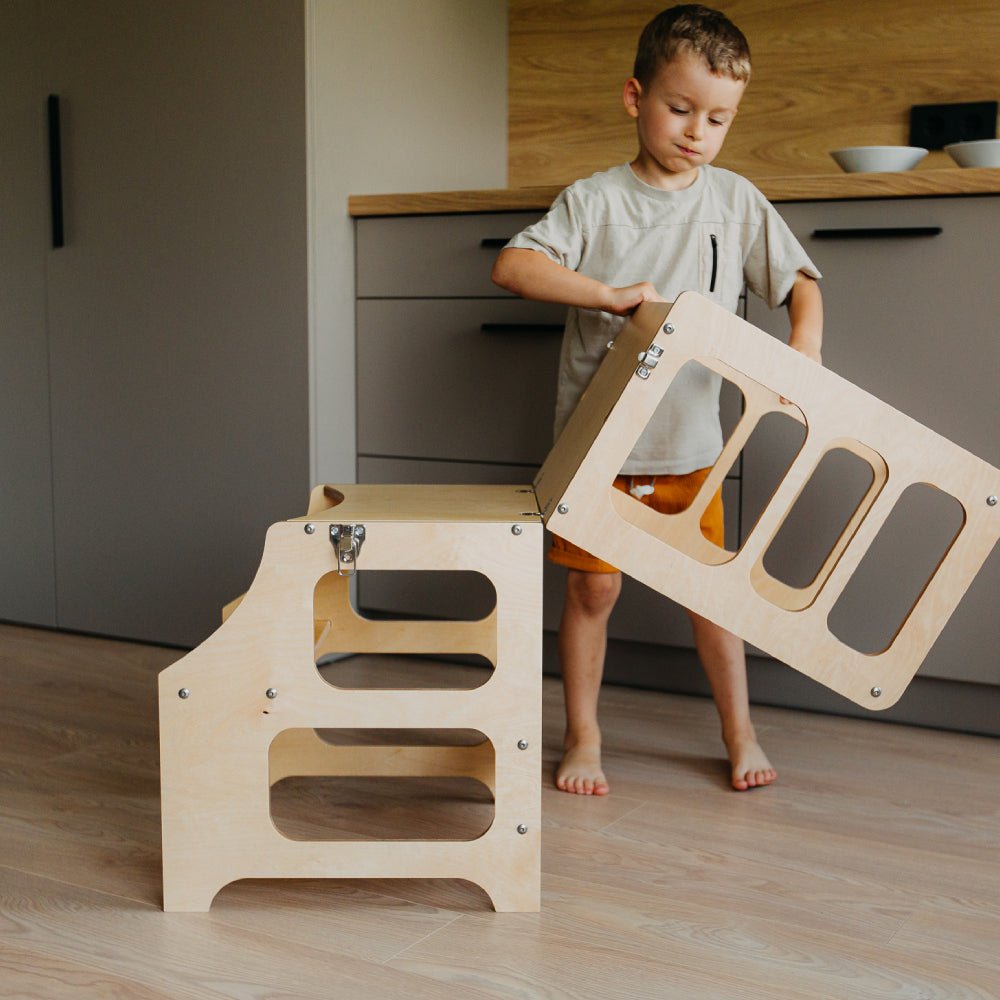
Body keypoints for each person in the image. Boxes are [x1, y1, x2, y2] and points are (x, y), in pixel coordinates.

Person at [491, 4, 823, 795]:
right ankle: (583, 736)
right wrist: (606, 295)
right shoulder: (593, 201)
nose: (697, 132)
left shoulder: (735, 202)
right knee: (593, 589)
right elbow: (512, 266)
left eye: (718, 119)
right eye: (681, 109)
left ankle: (740, 732)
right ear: (635, 98)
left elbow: (801, 283)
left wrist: (804, 346)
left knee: (711, 599)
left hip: (693, 451)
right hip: (598, 450)